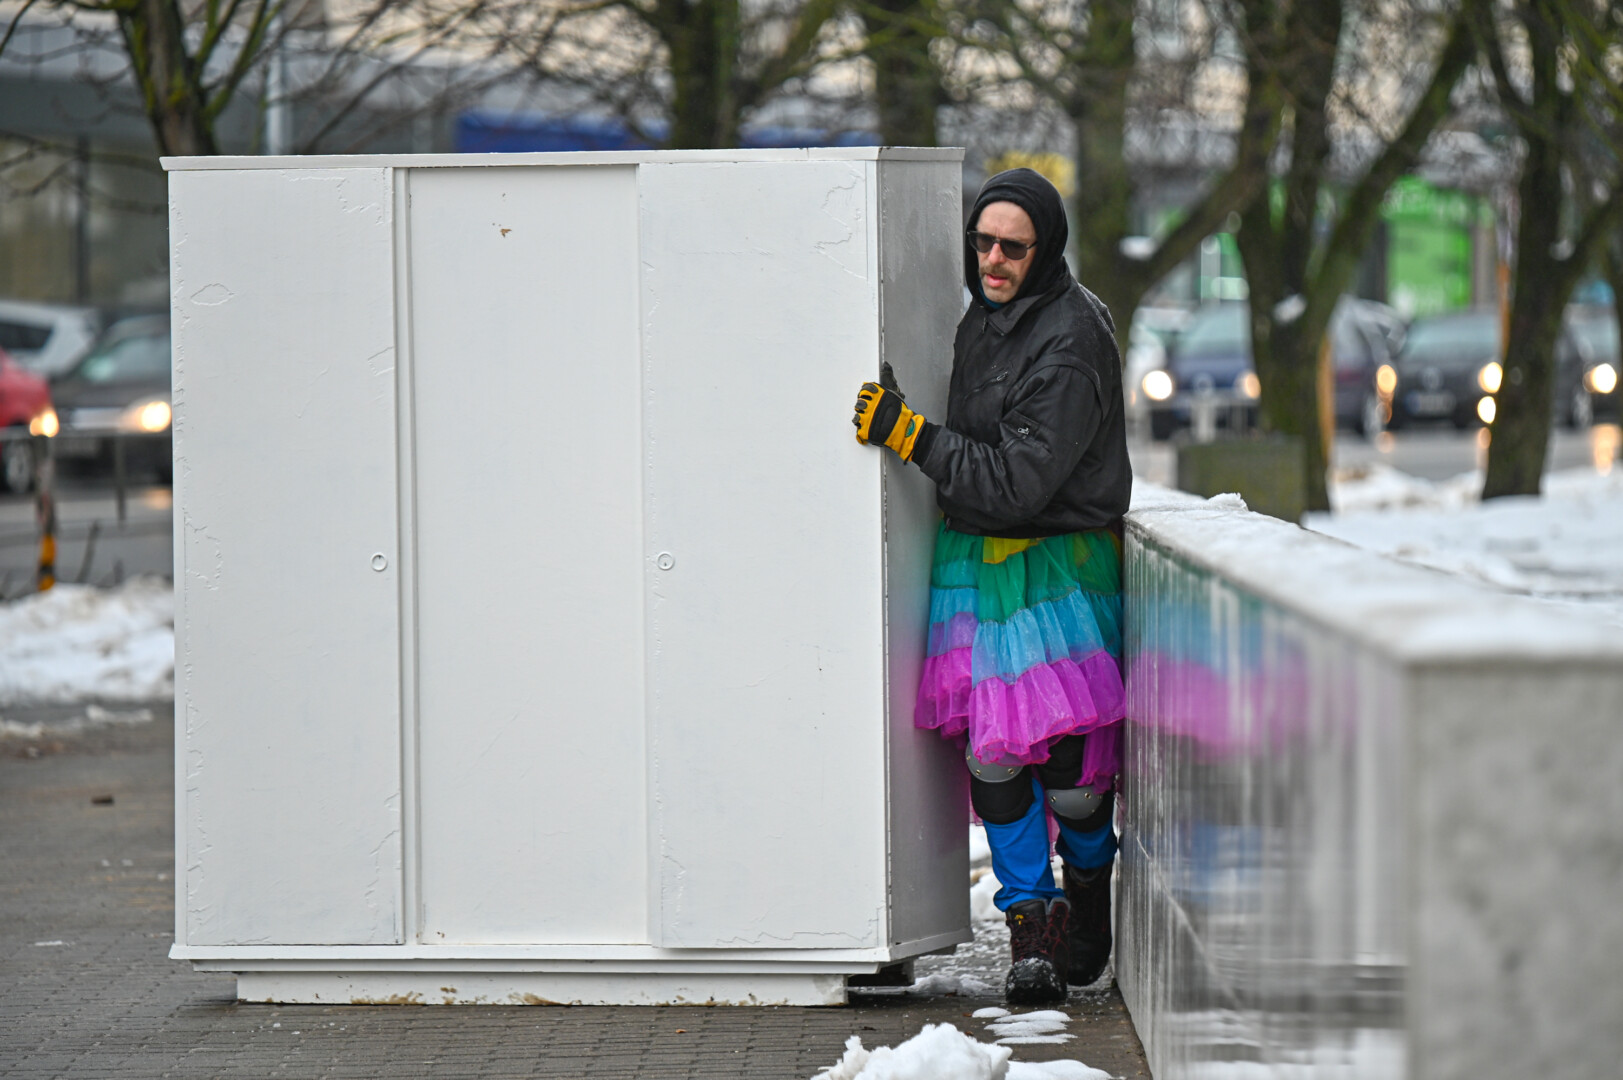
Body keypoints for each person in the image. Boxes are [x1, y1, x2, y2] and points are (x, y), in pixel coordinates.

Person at [851, 168, 1130, 1004]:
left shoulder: (1072, 337)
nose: (993, 260)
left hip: (1059, 568)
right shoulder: (985, 316)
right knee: (992, 753)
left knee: (1077, 779)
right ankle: (1029, 927)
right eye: (982, 243)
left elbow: (1018, 481)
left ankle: (1086, 889)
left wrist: (909, 435)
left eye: (1012, 247)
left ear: (1045, 251)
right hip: (979, 565)